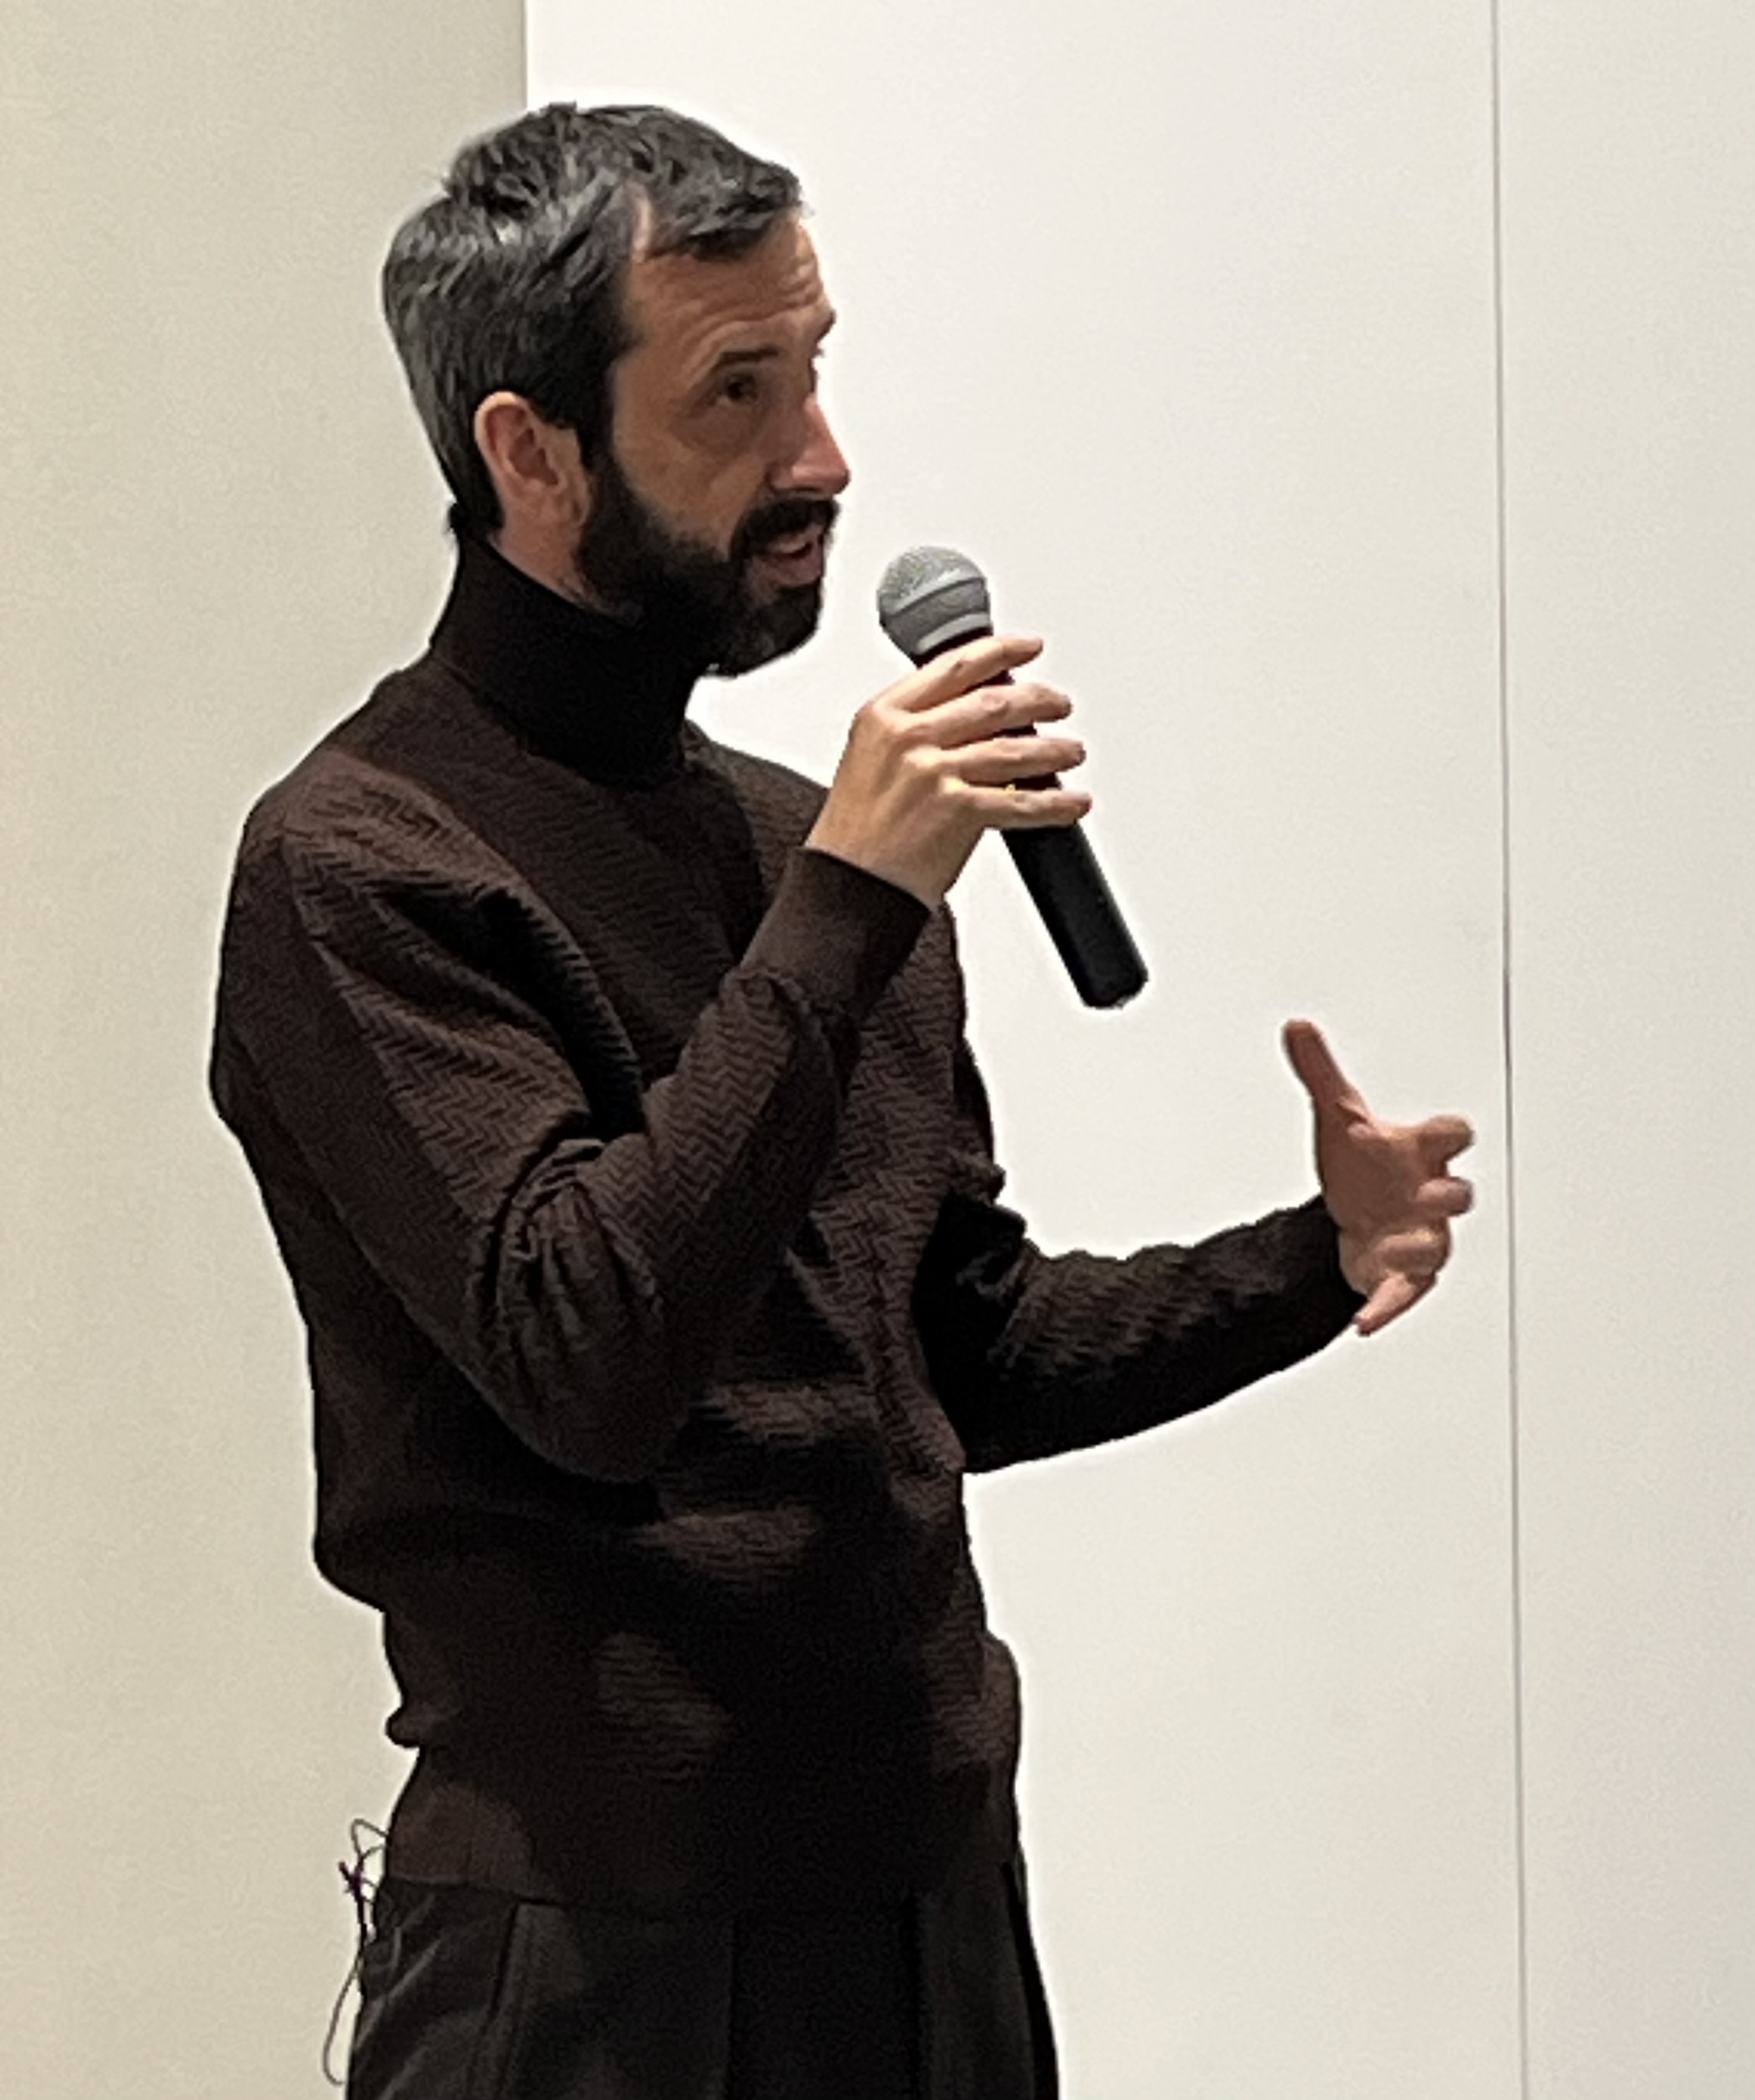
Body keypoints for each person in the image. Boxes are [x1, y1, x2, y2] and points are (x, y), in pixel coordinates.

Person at [208, 102, 1472, 2100]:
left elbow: (953, 1348)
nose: (824, 458)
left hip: (929, 1918)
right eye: (739, 391)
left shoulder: (803, 849)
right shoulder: (364, 862)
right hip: (592, 1960)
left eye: (816, 370)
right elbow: (589, 1356)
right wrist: (849, 907)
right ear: (530, 453)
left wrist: (1312, 1261)